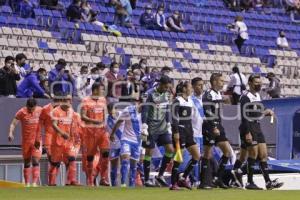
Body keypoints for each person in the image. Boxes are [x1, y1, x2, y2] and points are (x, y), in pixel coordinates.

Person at [238, 74, 283, 190]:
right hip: (249, 126)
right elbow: (244, 116)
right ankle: (249, 182)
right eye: (256, 83)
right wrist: (247, 132)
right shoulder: (245, 97)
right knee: (253, 154)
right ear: (250, 83)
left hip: (257, 126)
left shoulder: (257, 96)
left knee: (263, 155)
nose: (259, 84)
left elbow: (258, 111)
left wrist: (266, 111)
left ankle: (268, 182)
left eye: (260, 82)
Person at [201, 73, 233, 189]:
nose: (223, 83)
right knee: (207, 153)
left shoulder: (218, 94)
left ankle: (217, 178)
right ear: (214, 82)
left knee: (227, 151)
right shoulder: (208, 95)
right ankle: (203, 182)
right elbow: (208, 111)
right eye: (221, 81)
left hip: (218, 125)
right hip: (210, 126)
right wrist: (214, 125)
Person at [141, 75, 174, 187]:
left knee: (170, 150)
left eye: (168, 87)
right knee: (149, 152)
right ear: (160, 84)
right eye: (165, 86)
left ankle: (160, 176)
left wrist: (169, 123)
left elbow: (168, 110)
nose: (166, 89)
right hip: (151, 127)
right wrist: (144, 125)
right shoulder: (149, 93)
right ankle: (146, 179)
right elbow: (145, 109)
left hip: (163, 127)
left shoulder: (168, 94)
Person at [169, 81, 201, 190]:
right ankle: (173, 183)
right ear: (184, 89)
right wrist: (176, 132)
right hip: (180, 132)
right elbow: (173, 118)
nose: (191, 89)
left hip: (189, 132)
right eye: (190, 87)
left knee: (196, 156)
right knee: (178, 158)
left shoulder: (190, 101)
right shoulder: (177, 101)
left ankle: (183, 178)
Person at [80, 82, 110, 186]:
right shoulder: (85, 101)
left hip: (102, 131)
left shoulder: (103, 100)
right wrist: (95, 121)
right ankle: (89, 180)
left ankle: (103, 178)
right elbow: (82, 116)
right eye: (102, 89)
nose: (103, 92)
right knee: (90, 157)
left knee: (106, 154)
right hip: (90, 132)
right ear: (95, 90)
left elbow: (105, 114)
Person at [8, 98, 42, 187]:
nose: (31, 110)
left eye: (33, 109)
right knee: (27, 162)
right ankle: (27, 184)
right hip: (26, 141)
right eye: (29, 109)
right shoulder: (21, 112)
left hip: (37, 141)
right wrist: (11, 133)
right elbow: (13, 123)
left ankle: (34, 183)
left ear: (36, 106)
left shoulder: (40, 110)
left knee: (35, 160)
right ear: (26, 106)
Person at [48, 94, 81, 186]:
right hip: (57, 142)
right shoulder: (55, 111)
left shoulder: (71, 111)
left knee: (72, 158)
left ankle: (71, 181)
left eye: (70, 100)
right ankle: (51, 182)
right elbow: (54, 125)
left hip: (68, 141)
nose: (69, 102)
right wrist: (62, 133)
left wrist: (73, 137)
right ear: (62, 100)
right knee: (55, 163)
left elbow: (72, 125)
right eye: (67, 100)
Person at [110, 98, 143, 187]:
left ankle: (131, 186)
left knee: (133, 165)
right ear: (139, 103)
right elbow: (119, 122)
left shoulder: (147, 114)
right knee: (125, 160)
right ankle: (123, 183)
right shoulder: (128, 110)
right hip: (126, 139)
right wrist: (112, 133)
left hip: (137, 142)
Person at [191, 77, 205, 187]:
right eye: (199, 85)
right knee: (194, 157)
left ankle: (200, 180)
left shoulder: (204, 99)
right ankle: (194, 180)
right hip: (193, 133)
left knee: (200, 157)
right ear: (193, 86)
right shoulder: (190, 100)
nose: (201, 87)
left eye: (202, 84)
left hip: (202, 133)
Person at [107, 103, 123, 186]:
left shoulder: (122, 115)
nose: (110, 112)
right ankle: (114, 184)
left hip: (123, 143)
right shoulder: (106, 118)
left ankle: (123, 183)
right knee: (114, 167)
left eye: (112, 110)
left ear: (116, 109)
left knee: (124, 164)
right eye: (109, 110)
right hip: (113, 145)